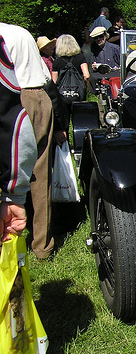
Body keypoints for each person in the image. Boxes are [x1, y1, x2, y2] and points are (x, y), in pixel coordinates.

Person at [0, 22, 56, 259]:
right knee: (41, 172)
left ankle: (7, 238)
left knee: (8, 161)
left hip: (16, 96)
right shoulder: (22, 31)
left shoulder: (3, 35)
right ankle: (42, 246)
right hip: (41, 96)